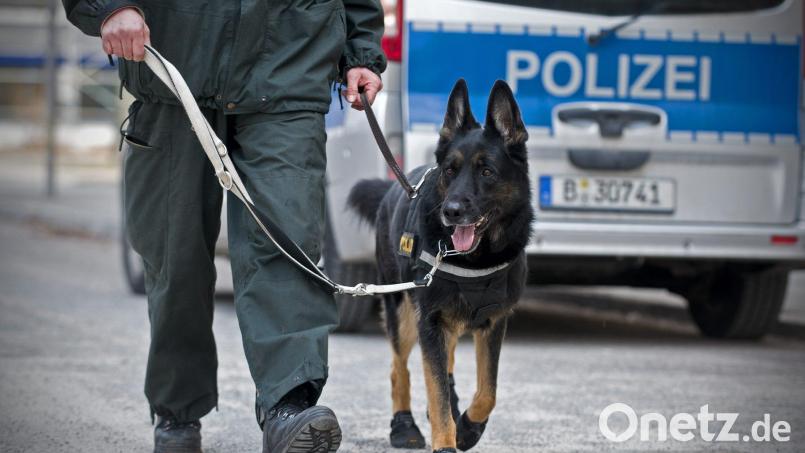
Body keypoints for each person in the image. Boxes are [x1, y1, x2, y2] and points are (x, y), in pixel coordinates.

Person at [61, 1, 386, 452]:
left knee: (286, 246)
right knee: (176, 258)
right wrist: (108, 7)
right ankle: (177, 411)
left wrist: (361, 52)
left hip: (288, 70)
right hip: (171, 72)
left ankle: (288, 407)